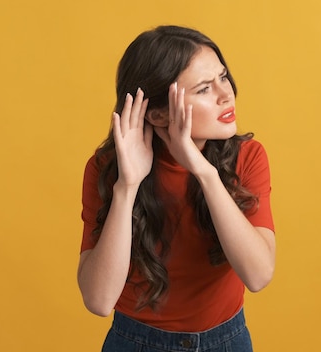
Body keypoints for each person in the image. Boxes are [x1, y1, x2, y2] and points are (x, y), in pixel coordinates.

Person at [78, 25, 276, 352]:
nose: (226, 94)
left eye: (223, 78)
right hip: (134, 342)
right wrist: (127, 186)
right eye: (203, 89)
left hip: (226, 341)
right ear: (158, 114)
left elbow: (258, 276)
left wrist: (201, 169)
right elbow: (99, 300)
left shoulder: (248, 158)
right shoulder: (105, 170)